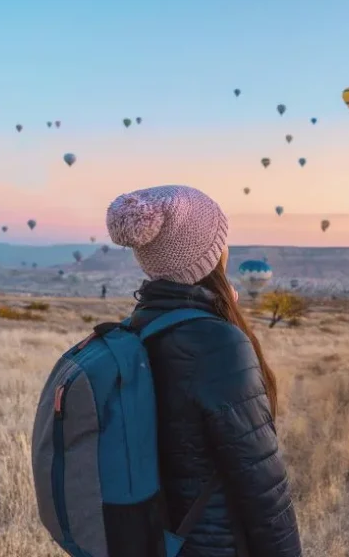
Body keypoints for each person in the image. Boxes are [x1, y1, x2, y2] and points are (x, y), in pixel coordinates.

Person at [106, 185, 302, 557]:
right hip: (213, 545)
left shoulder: (139, 327)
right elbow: (262, 484)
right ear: (210, 254)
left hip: (157, 540)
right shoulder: (217, 343)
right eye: (222, 240)